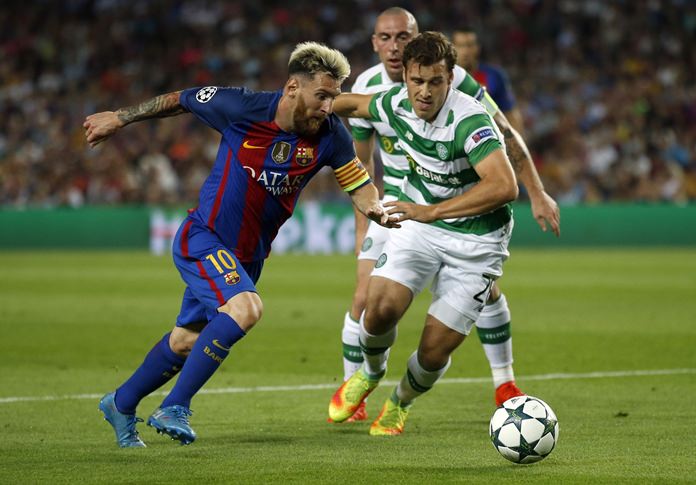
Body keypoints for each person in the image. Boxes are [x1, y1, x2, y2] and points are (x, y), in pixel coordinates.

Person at [83, 42, 398, 447]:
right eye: (322, 95)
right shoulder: (241, 107)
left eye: (334, 96)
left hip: (249, 257)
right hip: (205, 238)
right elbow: (181, 99)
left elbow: (358, 183)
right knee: (247, 308)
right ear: (291, 88)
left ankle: (120, 403)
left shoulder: (332, 135)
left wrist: (376, 208)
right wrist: (121, 118)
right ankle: (175, 405)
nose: (328, 106)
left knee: (186, 340)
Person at [335, 8, 560, 423]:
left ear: (450, 79)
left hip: (475, 241)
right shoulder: (392, 101)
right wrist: (301, 103)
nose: (423, 92)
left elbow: (502, 186)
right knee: (376, 307)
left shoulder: (470, 117)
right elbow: (350, 104)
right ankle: (369, 373)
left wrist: (535, 191)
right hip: (417, 226)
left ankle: (400, 401)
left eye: (434, 82)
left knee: (433, 350)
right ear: (405, 78)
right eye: (416, 81)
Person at [452, 26, 525, 134]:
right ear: (452, 47)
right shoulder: (445, 78)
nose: (465, 51)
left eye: (469, 45)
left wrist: (517, 147)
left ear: (477, 47)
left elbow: (510, 114)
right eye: (461, 46)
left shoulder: (494, 76)